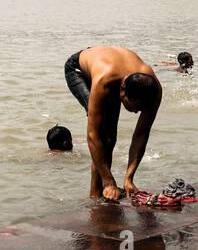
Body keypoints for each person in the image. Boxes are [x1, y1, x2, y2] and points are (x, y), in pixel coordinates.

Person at [63, 46, 162, 202]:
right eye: (134, 106)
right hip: (79, 69)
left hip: (114, 68)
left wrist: (129, 178)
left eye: (140, 108)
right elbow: (92, 135)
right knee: (103, 134)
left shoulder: (154, 90)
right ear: (121, 91)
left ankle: (105, 191)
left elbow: (141, 134)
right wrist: (109, 182)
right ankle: (96, 194)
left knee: (110, 138)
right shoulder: (105, 81)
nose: (136, 112)